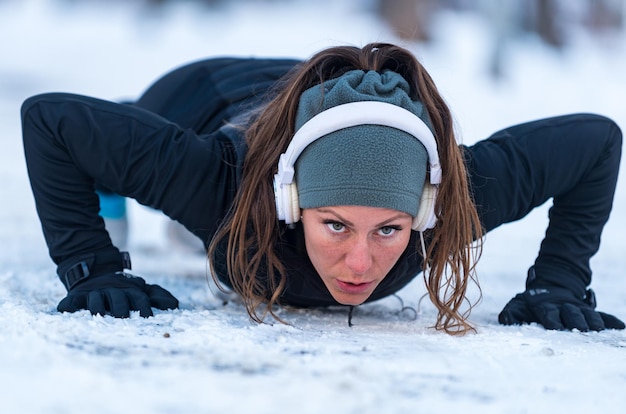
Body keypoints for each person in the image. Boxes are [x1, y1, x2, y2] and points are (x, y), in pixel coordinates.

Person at [21, 42, 624, 335]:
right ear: (292, 203)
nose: (360, 264)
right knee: (135, 160)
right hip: (205, 95)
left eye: (389, 229)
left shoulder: (454, 198)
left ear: (423, 209)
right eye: (335, 223)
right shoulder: (214, 181)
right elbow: (50, 119)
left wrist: (560, 281)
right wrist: (92, 266)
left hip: (320, 103)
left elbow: (597, 141)